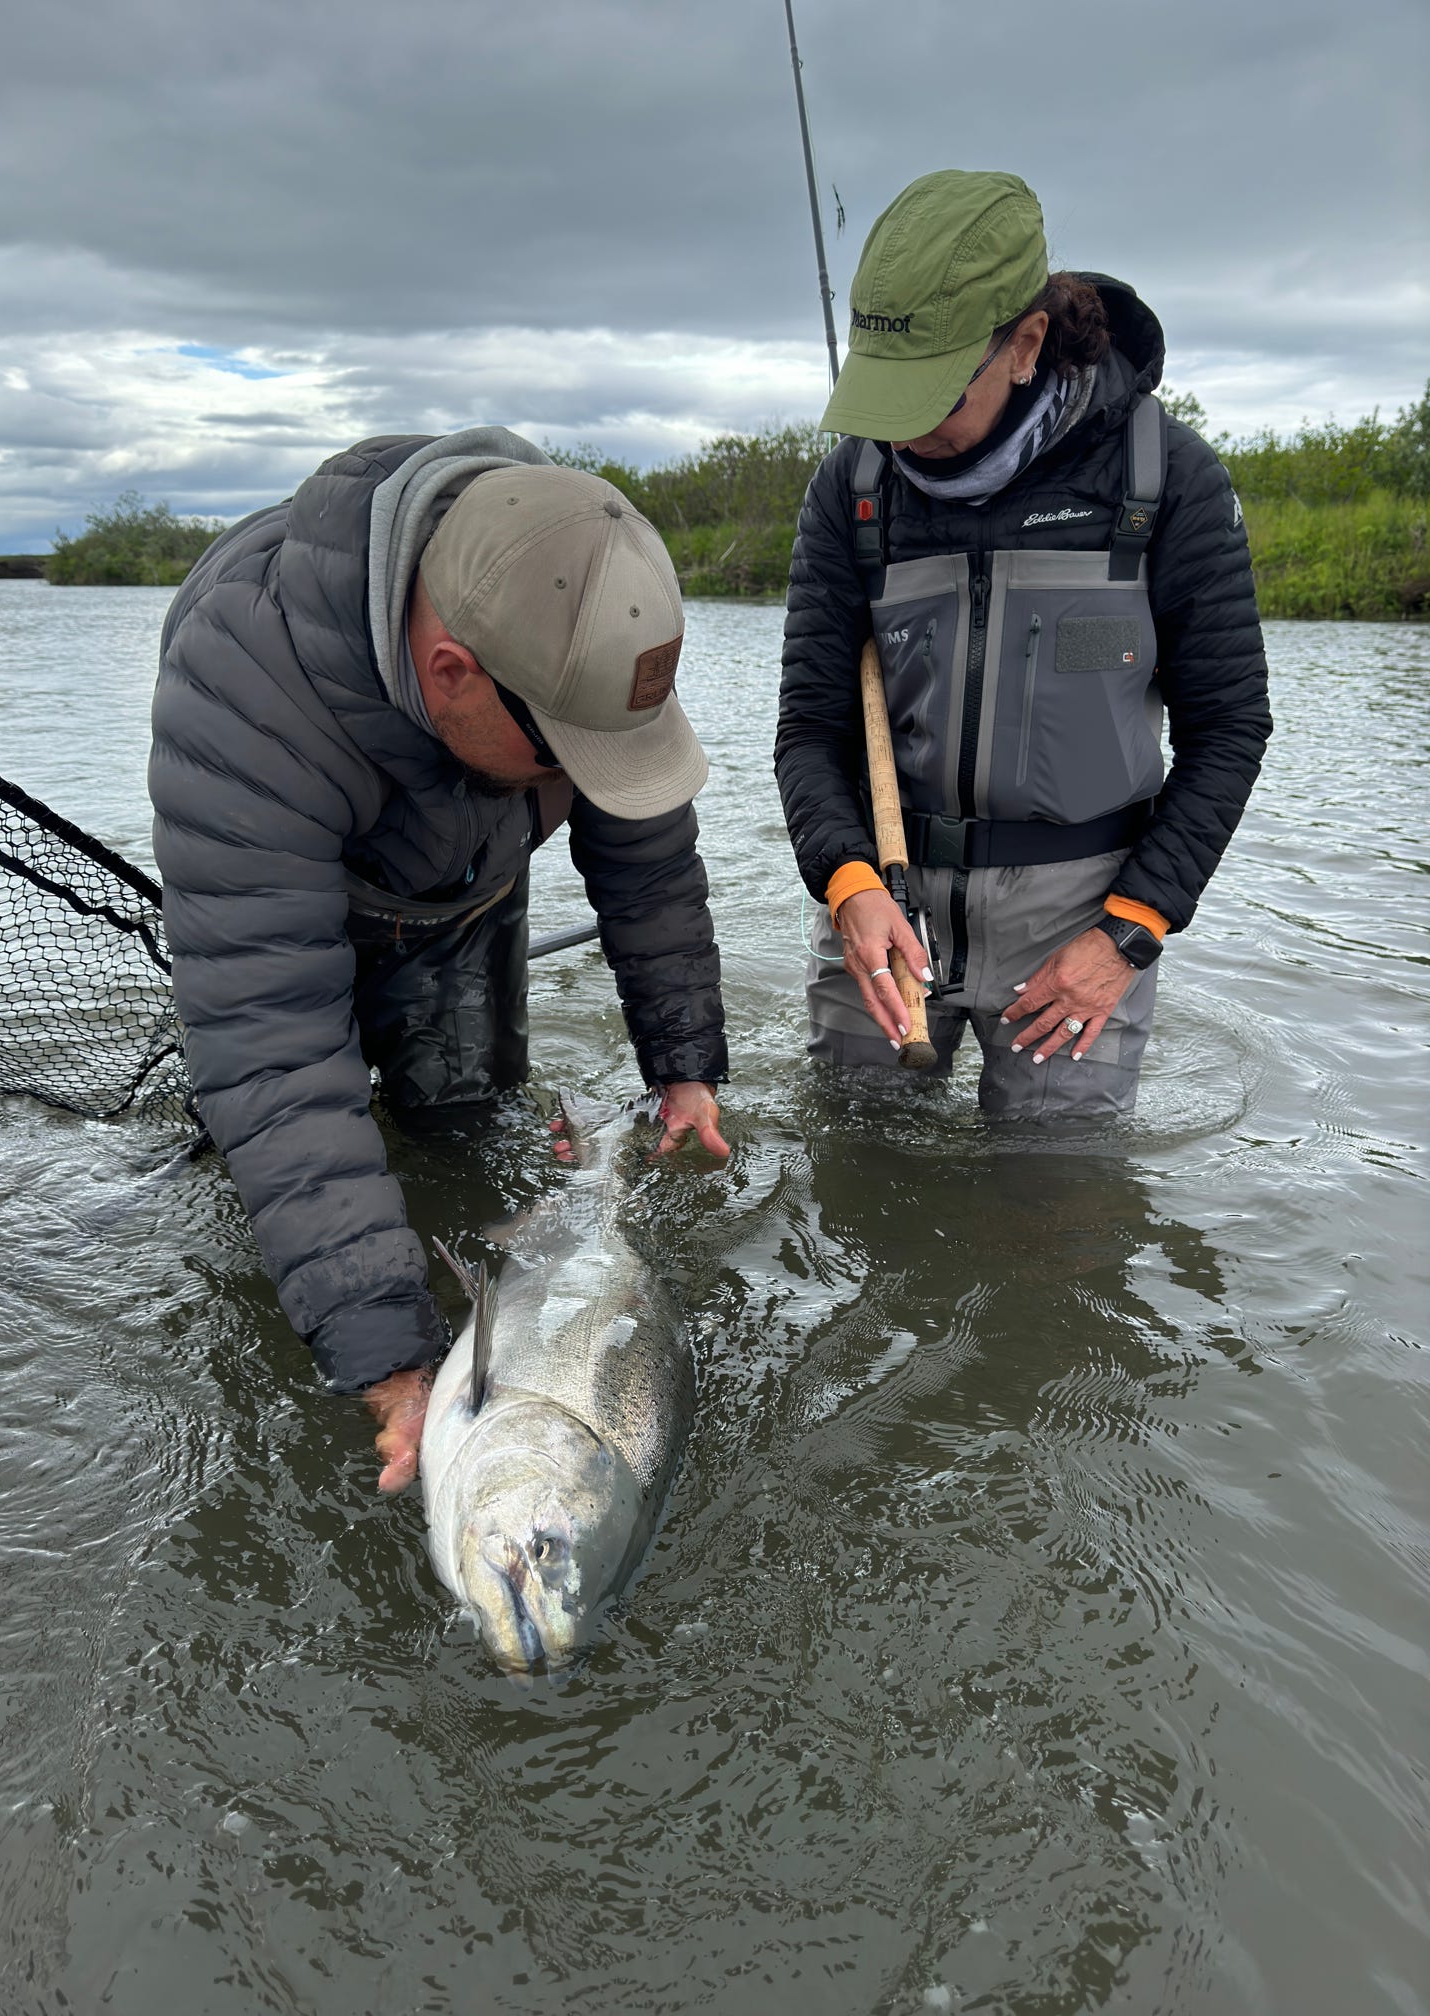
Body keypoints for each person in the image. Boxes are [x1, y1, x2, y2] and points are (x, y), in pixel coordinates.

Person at [149, 429, 729, 1490]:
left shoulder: (588, 601)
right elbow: (273, 1047)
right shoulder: (240, 691)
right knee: (267, 1173)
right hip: (291, 905)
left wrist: (683, 1065)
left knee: (461, 1135)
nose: (590, 774)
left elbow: (648, 865)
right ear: (450, 674)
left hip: (465, 893)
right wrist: (388, 1358)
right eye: (568, 751)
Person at [776, 171, 1271, 1118]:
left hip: (1082, 917)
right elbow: (809, 730)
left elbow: (1231, 729)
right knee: (849, 1180)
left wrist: (1126, 935)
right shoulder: (852, 489)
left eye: (932, 396)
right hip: (884, 899)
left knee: (1056, 1219)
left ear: (1026, 344)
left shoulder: (1168, 481)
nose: (905, 431)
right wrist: (846, 883)